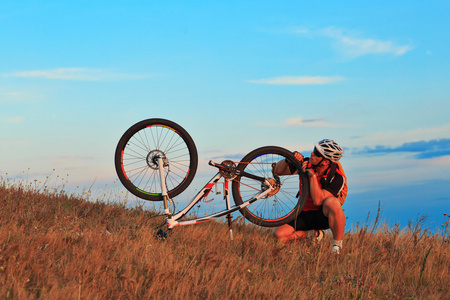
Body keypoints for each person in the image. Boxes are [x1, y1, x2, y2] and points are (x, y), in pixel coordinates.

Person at [273, 139, 346, 254]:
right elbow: (277, 171)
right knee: (278, 235)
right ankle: (313, 234)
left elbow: (318, 200)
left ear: (326, 162)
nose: (312, 153)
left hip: (322, 216)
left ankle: (337, 246)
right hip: (303, 212)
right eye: (314, 150)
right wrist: (288, 159)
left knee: (332, 202)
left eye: (316, 153)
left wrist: (311, 175)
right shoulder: (306, 163)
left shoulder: (337, 177)